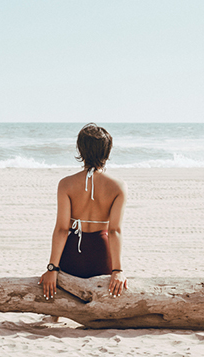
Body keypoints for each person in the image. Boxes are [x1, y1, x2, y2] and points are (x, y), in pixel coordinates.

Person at [40, 123, 128, 300]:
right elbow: (114, 230)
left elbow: (62, 229)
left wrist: (52, 269)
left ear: (80, 150)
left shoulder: (66, 184)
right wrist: (117, 270)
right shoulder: (118, 186)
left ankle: (54, 317)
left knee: (59, 297)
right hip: (101, 255)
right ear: (107, 151)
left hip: (72, 255)